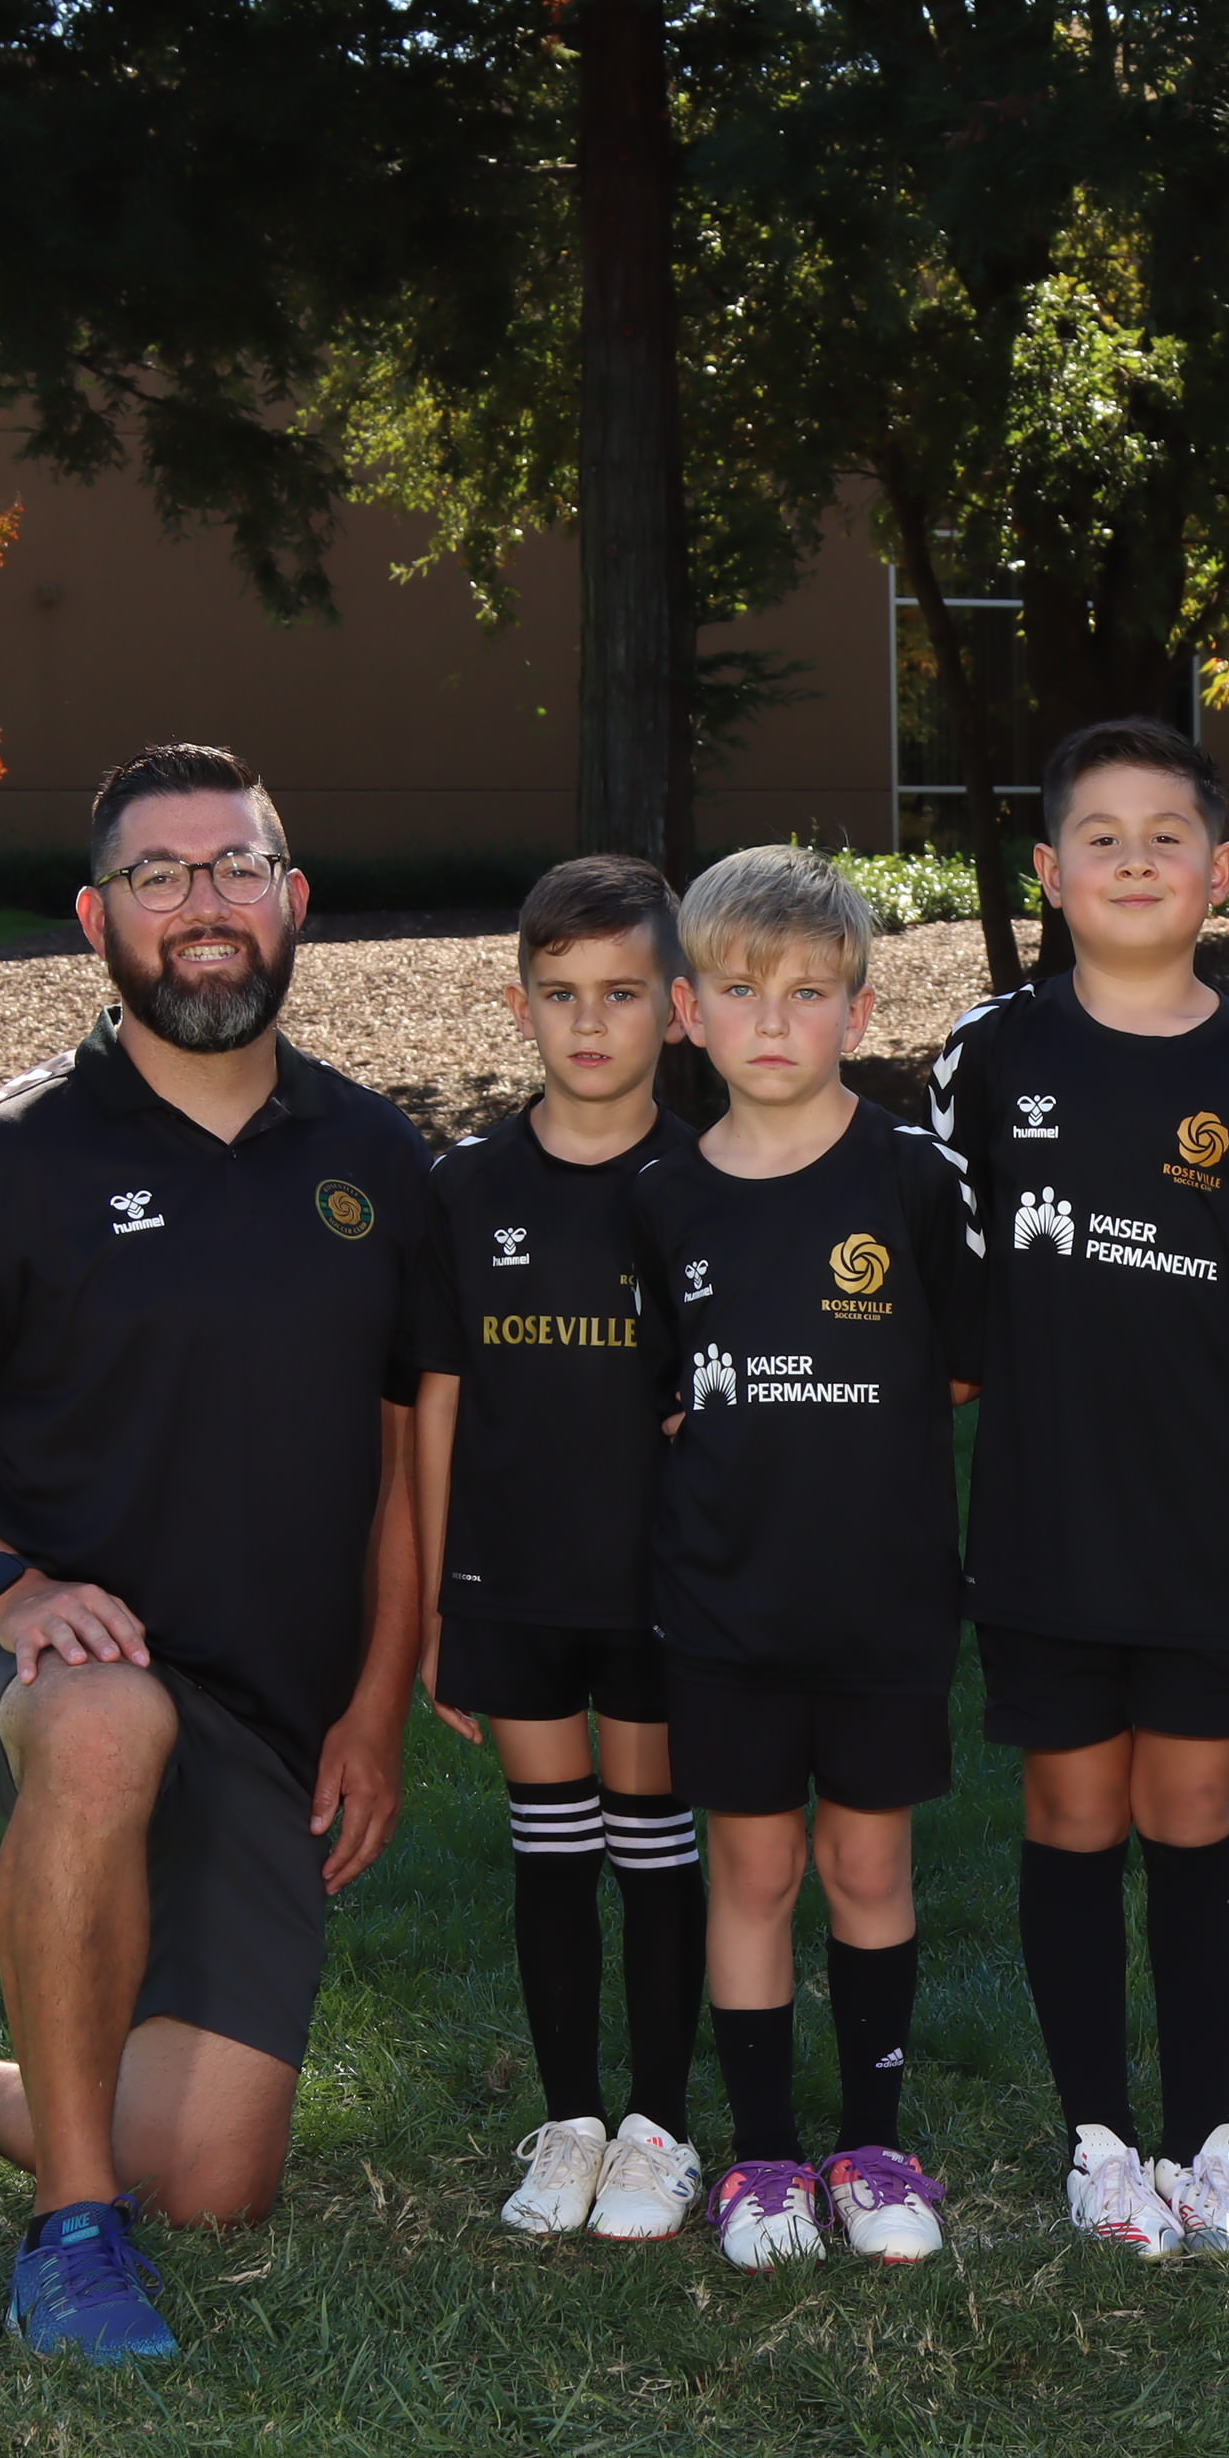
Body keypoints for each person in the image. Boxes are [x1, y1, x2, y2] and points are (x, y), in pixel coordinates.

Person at [0, 742, 452, 2364]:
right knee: (112, 1716)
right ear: (96, 919)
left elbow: (406, 1473)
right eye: (157, 875)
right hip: (39, 1666)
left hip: (263, 1723)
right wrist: (10, 1588)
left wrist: (377, 1707)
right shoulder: (11, 1161)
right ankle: (68, 2235)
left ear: (294, 901)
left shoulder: (379, 1164)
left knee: (215, 2185)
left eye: (235, 868)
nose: (203, 904)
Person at [926, 719, 1229, 2260]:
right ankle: (1099, 2143)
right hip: (1044, 1503)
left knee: (1196, 1806)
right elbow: (956, 1298)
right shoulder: (991, 1054)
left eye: (1169, 836)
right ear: (1049, 871)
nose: (1136, 859)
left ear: (1223, 871)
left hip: (1205, 1507)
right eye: (1102, 836)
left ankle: (1203, 2143)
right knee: (1074, 1809)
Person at [634, 846, 983, 2271]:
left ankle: (874, 2145)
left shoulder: (912, 1175)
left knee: (867, 1863)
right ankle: (767, 2154)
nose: (771, 1020)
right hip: (726, 1600)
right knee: (756, 1868)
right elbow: (658, 1386)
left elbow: (961, 1364)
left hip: (884, 1597)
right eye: (738, 990)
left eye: (807, 992)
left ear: (861, 1008)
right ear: (687, 1012)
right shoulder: (663, 1195)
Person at [415, 854, 707, 2243]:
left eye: (622, 993)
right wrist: (433, 1599)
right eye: (561, 993)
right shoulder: (465, 1186)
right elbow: (435, 1401)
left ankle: (659, 2129)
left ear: (677, 1006)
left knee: (652, 1842)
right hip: (512, 1576)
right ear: (519, 1003)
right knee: (549, 1842)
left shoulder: (714, 1179)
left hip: (664, 1582)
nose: (590, 1022)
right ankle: (574, 2120)